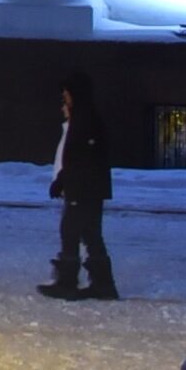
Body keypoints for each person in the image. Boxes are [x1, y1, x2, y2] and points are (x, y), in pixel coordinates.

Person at [39, 70, 117, 301]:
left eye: (67, 92)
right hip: (90, 188)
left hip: (82, 188)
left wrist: (62, 179)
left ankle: (67, 282)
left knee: (71, 231)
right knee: (91, 234)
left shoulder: (84, 120)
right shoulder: (86, 118)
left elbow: (78, 157)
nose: (64, 97)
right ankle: (103, 285)